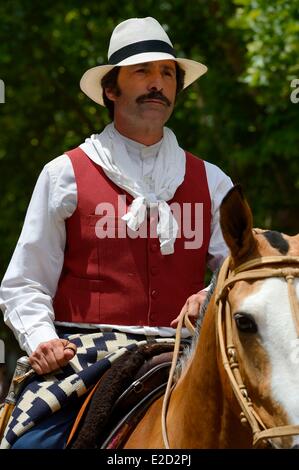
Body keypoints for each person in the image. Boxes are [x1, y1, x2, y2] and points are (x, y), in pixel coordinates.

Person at [0, 17, 232, 448]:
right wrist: (43, 341)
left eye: (167, 73)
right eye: (142, 72)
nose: (157, 84)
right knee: (34, 446)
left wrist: (211, 291)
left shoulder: (213, 182)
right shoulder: (64, 174)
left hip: (185, 354)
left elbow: (242, 270)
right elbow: (24, 282)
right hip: (83, 358)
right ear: (111, 89)